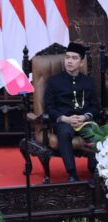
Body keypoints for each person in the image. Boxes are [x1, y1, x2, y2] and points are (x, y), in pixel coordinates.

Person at [44, 42, 100, 183]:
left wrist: (84, 116)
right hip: (64, 121)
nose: (69, 61)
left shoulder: (88, 82)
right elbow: (49, 107)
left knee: (95, 132)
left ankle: (94, 171)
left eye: (74, 58)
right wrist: (64, 118)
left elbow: (95, 107)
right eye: (67, 57)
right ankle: (72, 174)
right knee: (64, 133)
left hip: (84, 121)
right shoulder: (54, 81)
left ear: (81, 63)